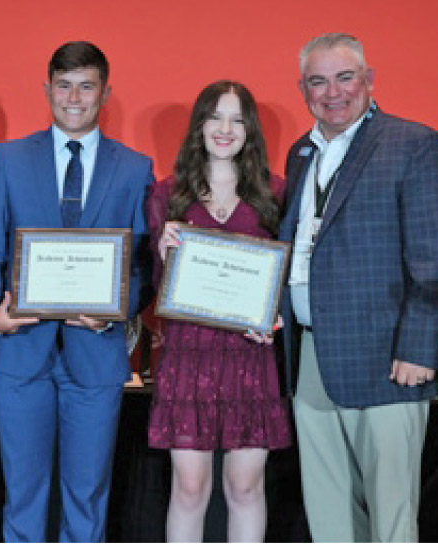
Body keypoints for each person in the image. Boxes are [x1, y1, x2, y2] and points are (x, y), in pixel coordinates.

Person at [279, 33, 438, 542]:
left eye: (345, 77)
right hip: (313, 355)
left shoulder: (415, 144)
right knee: (328, 510)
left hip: (389, 359)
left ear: (369, 79)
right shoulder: (301, 153)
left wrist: (419, 348)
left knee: (390, 513)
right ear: (302, 89)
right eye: (317, 81)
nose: (332, 91)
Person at [0, 41, 154, 542]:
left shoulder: (135, 168)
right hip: (19, 351)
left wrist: (117, 309)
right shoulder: (8, 159)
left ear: (105, 93)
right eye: (64, 85)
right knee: (23, 493)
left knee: (87, 493)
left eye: (86, 86)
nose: (74, 97)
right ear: (47, 89)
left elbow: (141, 264)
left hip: (95, 353)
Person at [148, 81, 292, 542]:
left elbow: (288, 277)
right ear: (200, 126)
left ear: (250, 130)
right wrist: (163, 251)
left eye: (237, 119)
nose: (225, 129)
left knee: (245, 486)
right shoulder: (167, 195)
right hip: (188, 355)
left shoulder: (276, 192)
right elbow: (155, 285)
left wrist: (276, 314)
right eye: (216, 117)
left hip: (251, 357)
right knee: (189, 489)